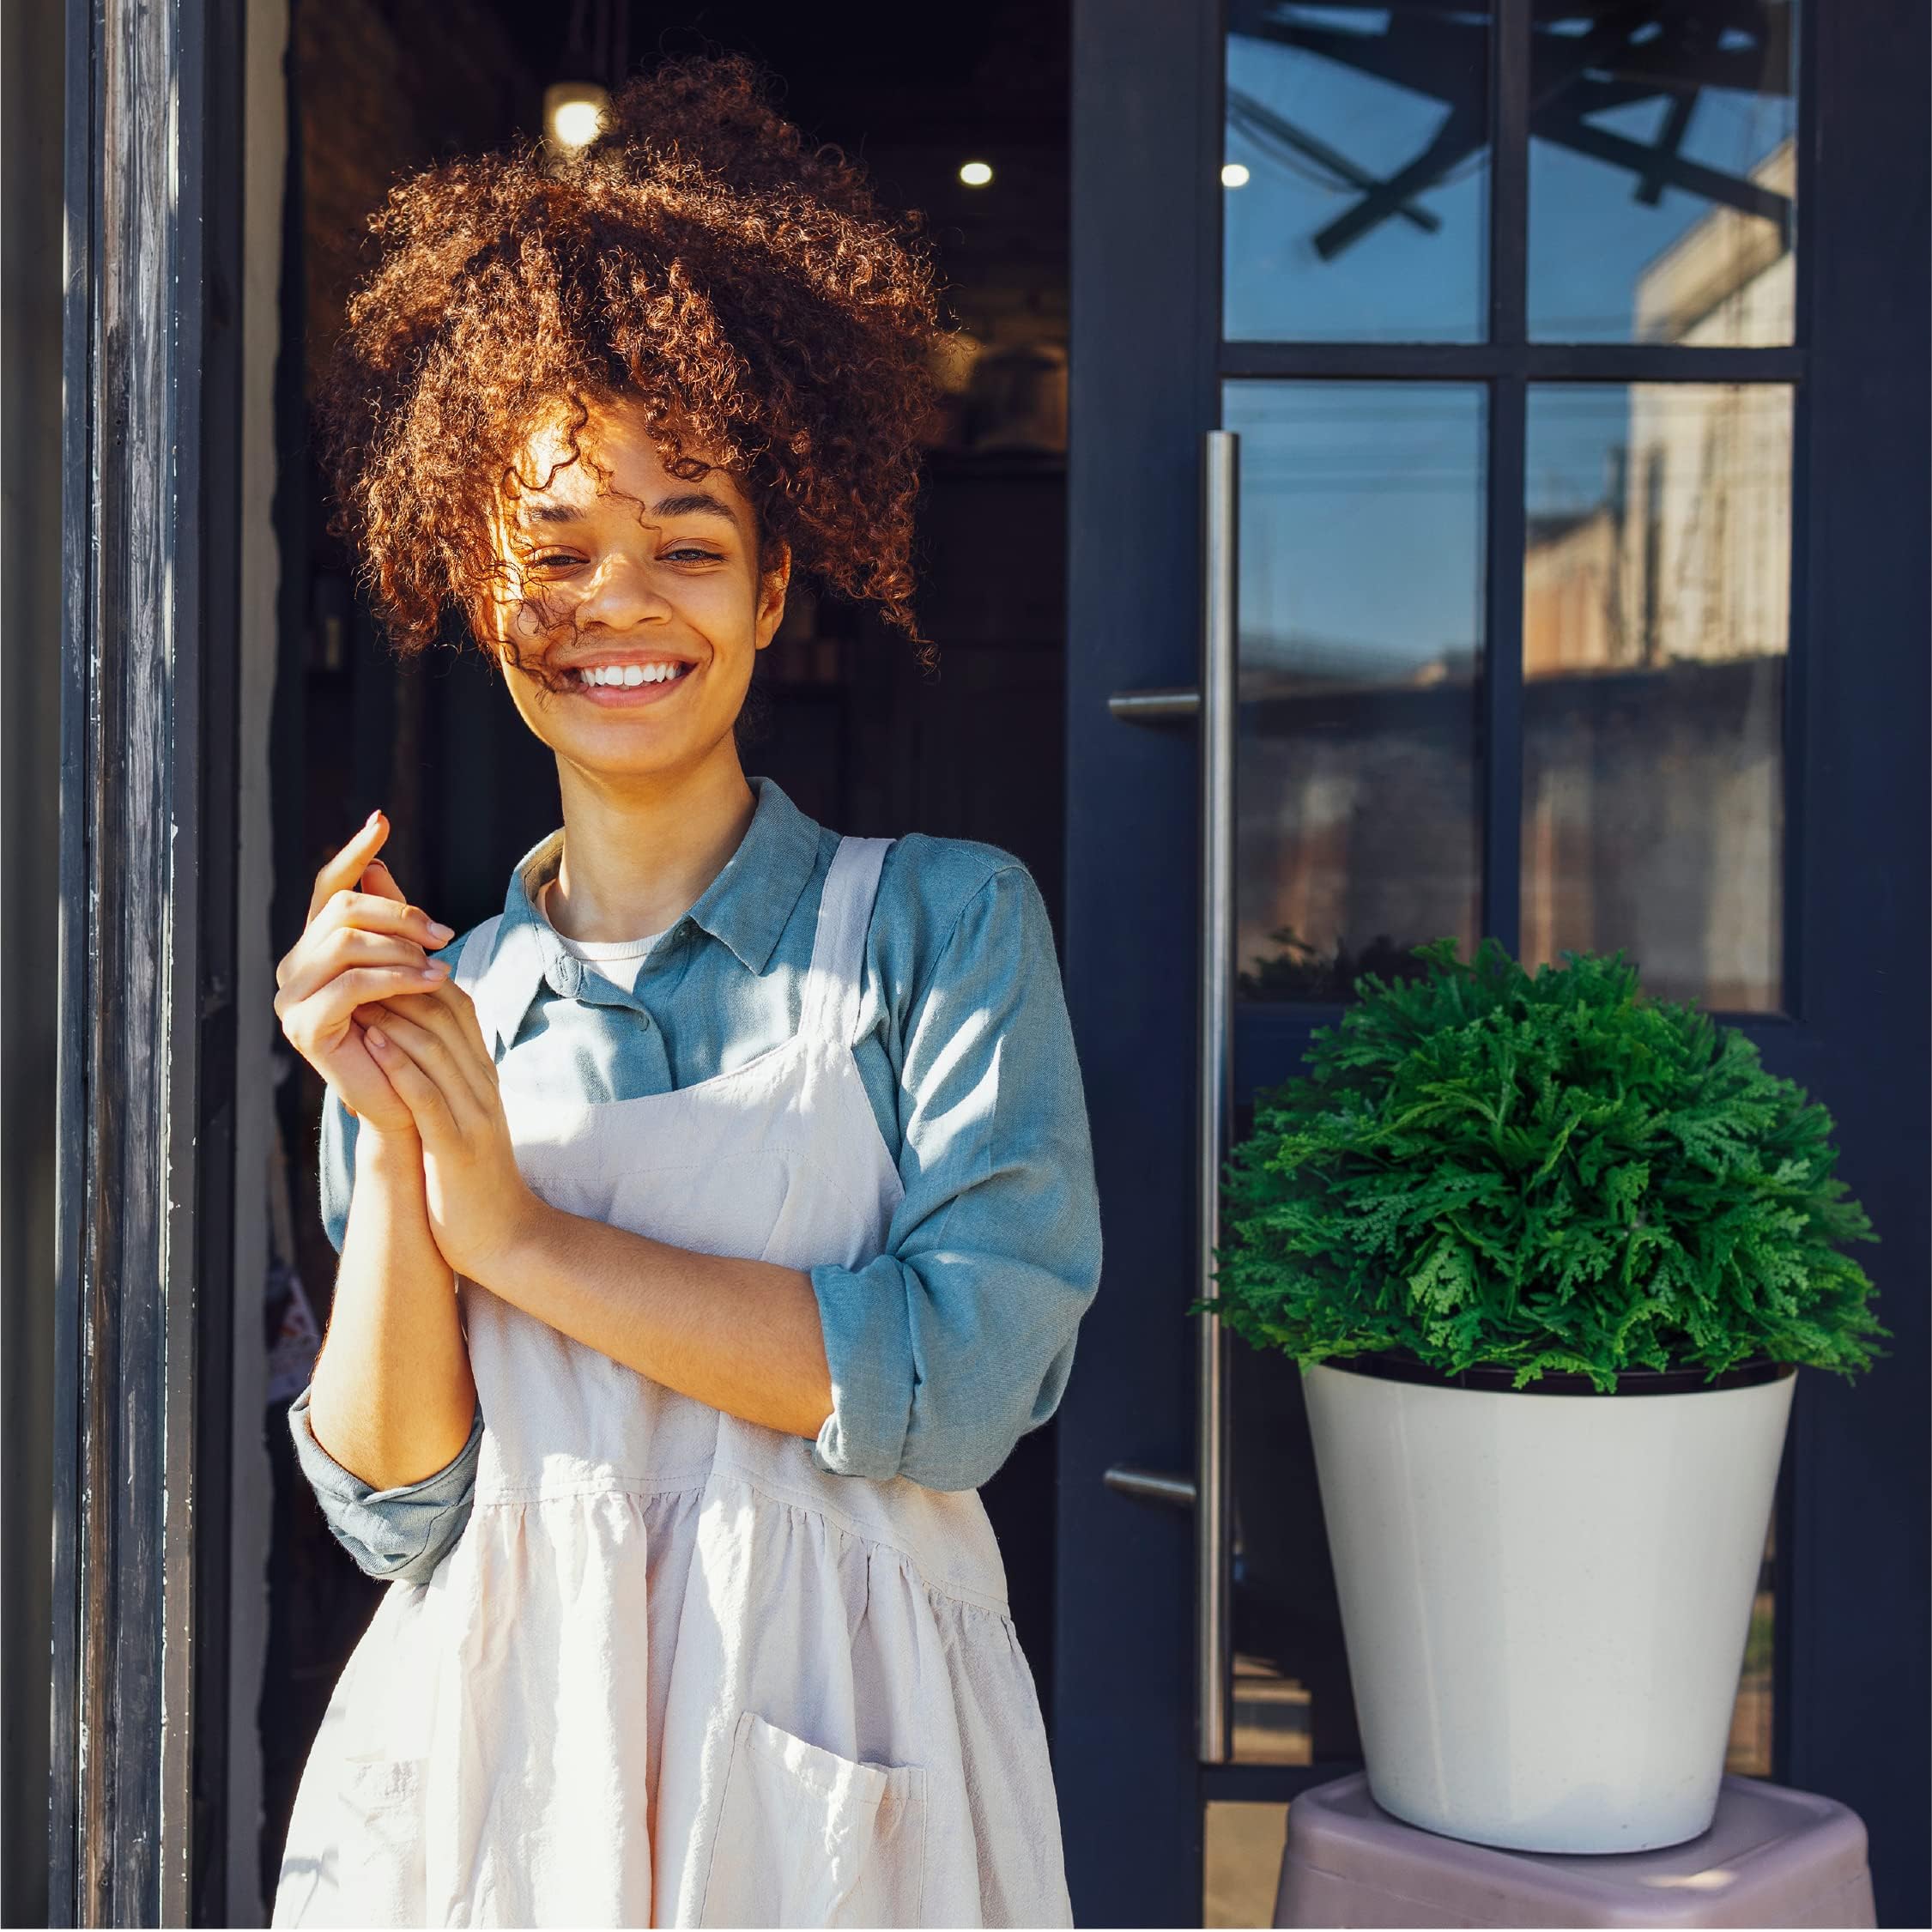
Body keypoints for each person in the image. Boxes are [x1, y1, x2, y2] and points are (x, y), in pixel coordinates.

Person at [269, 56, 1100, 1929]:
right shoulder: (444, 991)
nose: (615, 604)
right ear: (482, 598)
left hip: (837, 1767)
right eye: (551, 554)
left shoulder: (940, 931)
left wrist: (527, 1238)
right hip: (493, 1769)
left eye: (689, 546)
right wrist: (395, 1135)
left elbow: (961, 1383)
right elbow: (400, 1503)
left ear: (779, 582)